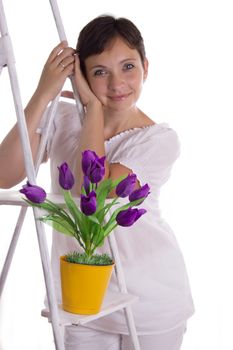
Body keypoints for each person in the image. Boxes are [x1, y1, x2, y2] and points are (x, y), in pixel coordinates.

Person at [0, 15, 194, 350]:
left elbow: (92, 191)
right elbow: (5, 173)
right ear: (83, 77)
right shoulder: (61, 117)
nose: (117, 83)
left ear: (146, 67)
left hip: (149, 299)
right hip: (78, 298)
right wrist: (43, 93)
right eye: (100, 72)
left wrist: (92, 107)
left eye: (128, 66)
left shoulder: (159, 140)